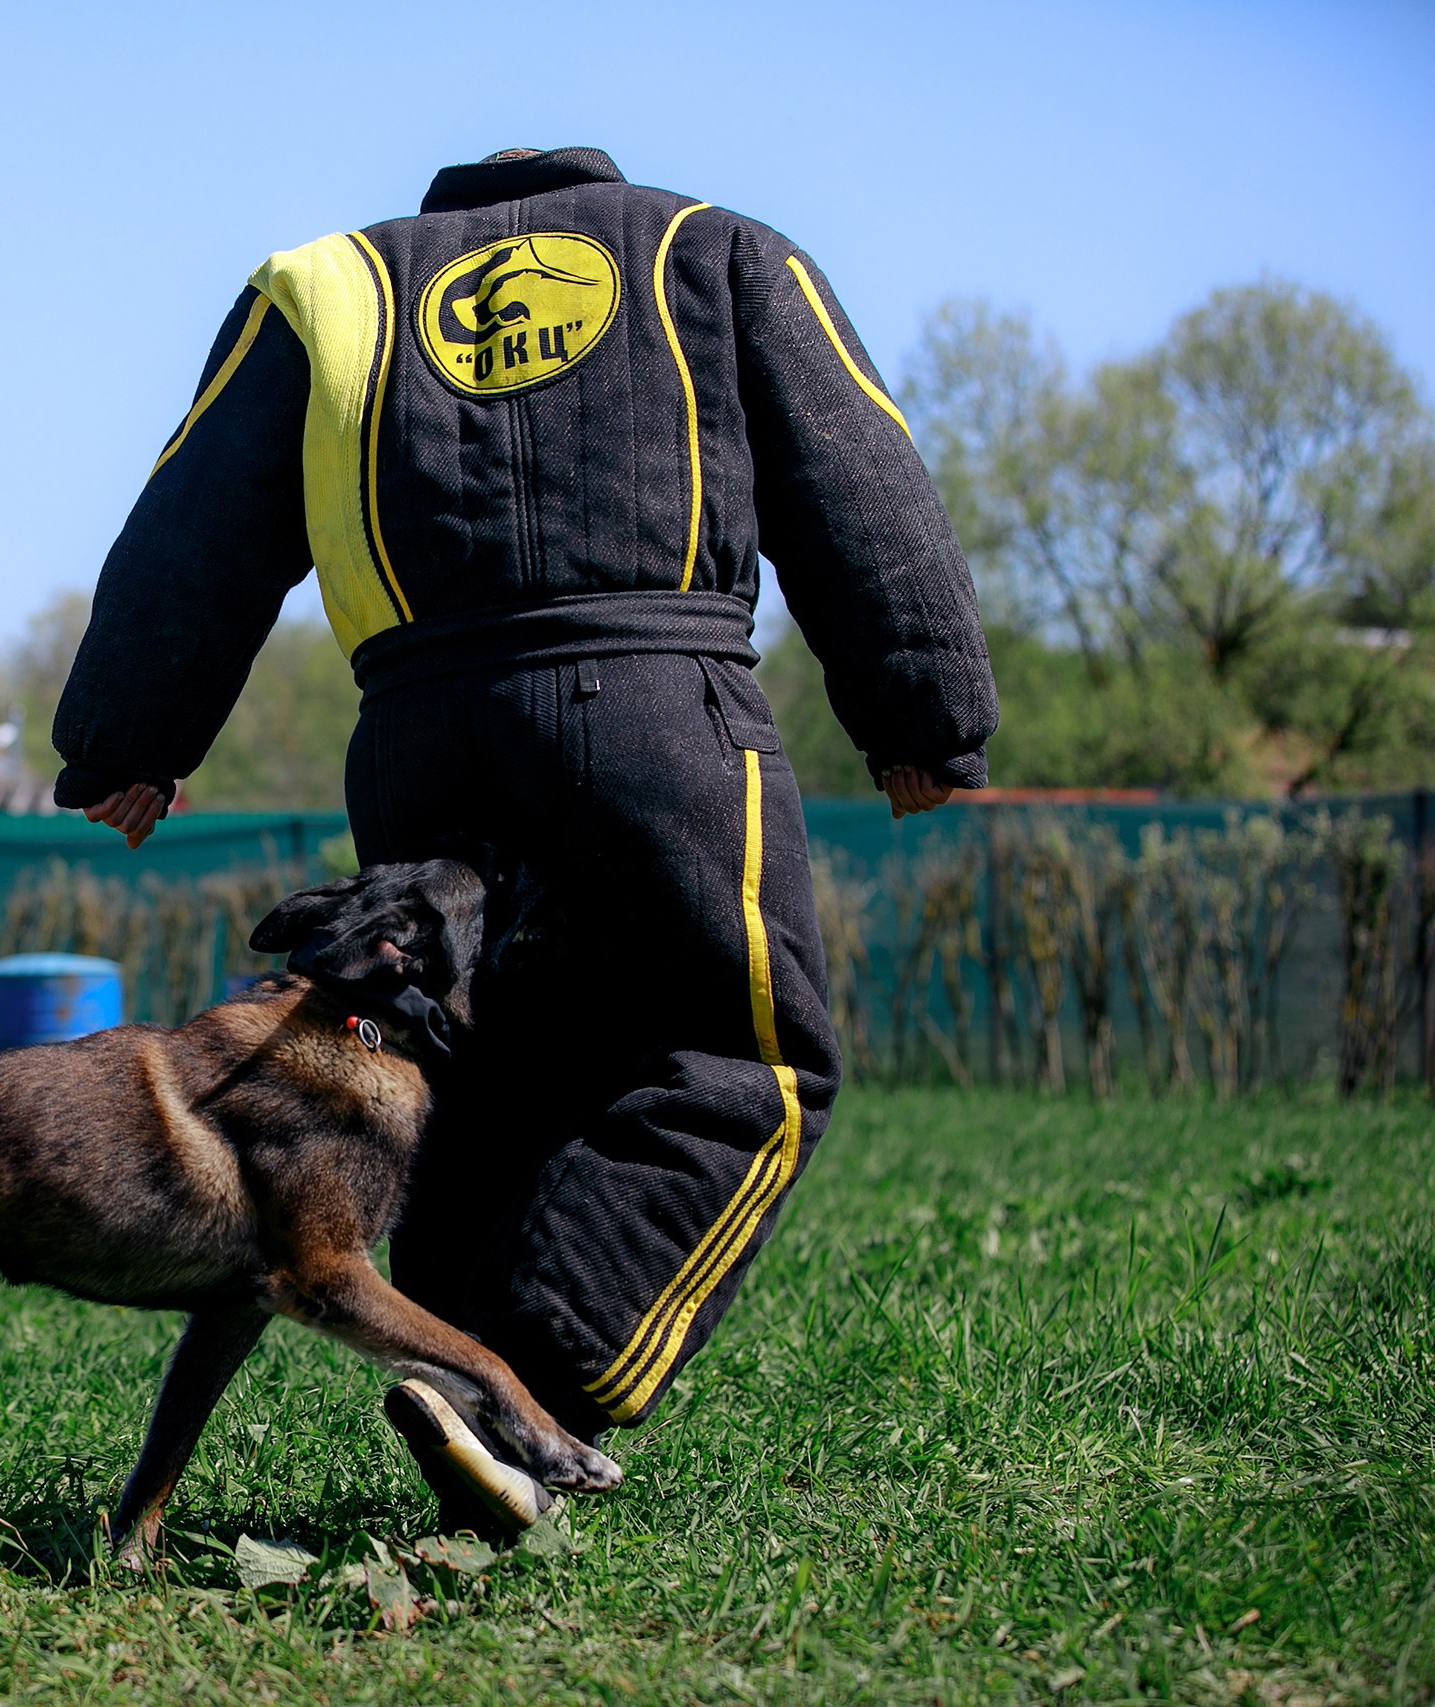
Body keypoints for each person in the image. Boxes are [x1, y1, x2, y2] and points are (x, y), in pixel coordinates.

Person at [50, 147, 996, 1531]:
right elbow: (861, 471)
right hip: (661, 710)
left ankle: (462, 1401)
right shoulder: (715, 248)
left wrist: (131, 740)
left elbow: (198, 519)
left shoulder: (327, 287)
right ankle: (524, 1381)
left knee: (481, 1080)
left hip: (422, 729)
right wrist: (925, 710)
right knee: (743, 1063)